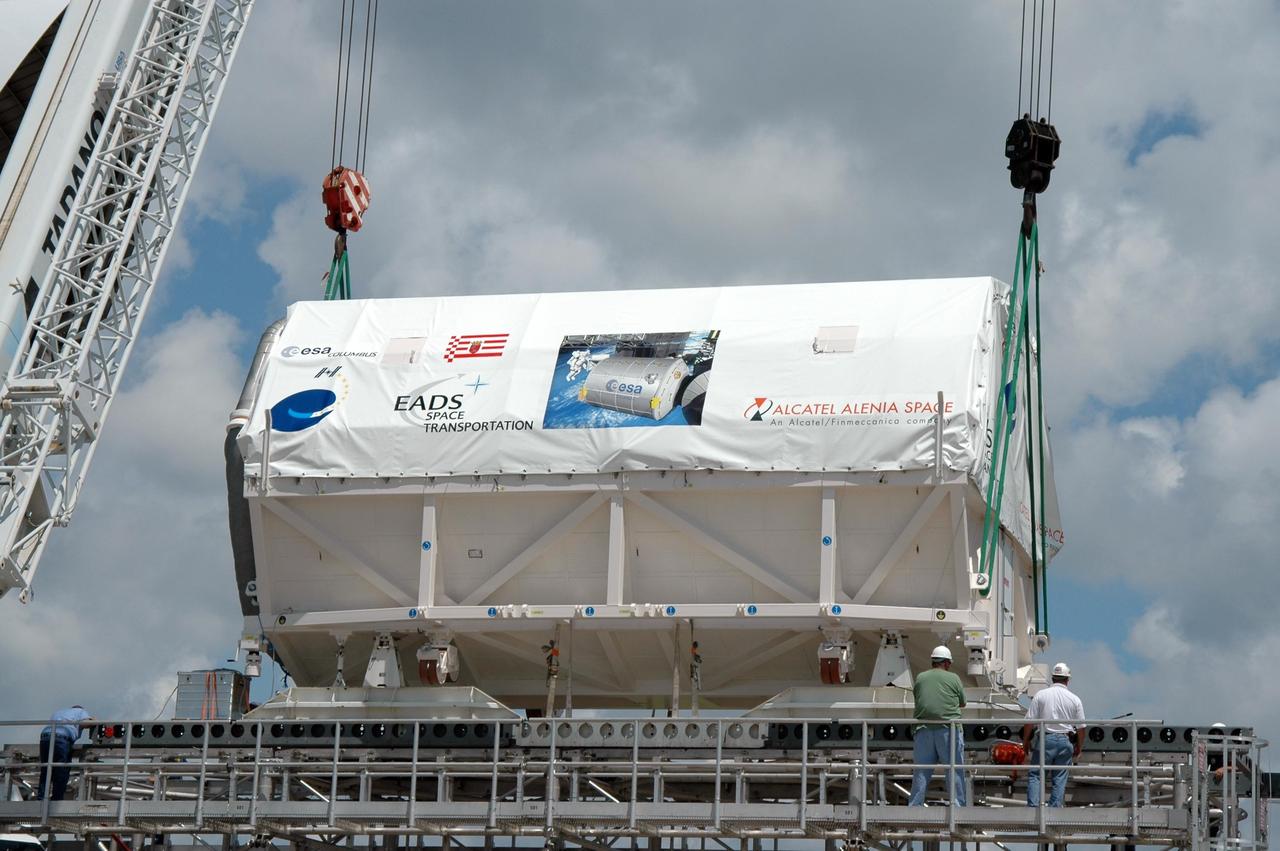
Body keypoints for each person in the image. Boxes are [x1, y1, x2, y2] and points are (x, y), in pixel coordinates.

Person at [908, 645, 967, 806]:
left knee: (921, 771)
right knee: (954, 770)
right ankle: (958, 807)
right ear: (947, 663)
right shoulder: (953, 678)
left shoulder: (920, 677)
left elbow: (918, 698)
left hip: (923, 729)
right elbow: (962, 703)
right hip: (949, 730)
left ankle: (914, 807)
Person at [1022, 662, 1085, 808]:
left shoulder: (1041, 695)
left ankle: (1033, 808)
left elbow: (1029, 723)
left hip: (1045, 740)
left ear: (1052, 678)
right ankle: (1054, 809)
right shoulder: (1074, 699)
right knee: (1060, 777)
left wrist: (1025, 742)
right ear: (1067, 680)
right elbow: (1081, 728)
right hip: (1065, 741)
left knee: (1036, 774)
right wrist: (1079, 748)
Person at [36, 705, 91, 800]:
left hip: (45, 737)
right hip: (61, 737)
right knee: (61, 770)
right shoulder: (80, 711)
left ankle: (41, 797)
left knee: (46, 769)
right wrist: (92, 720)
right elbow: (85, 723)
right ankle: (56, 798)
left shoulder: (59, 712)